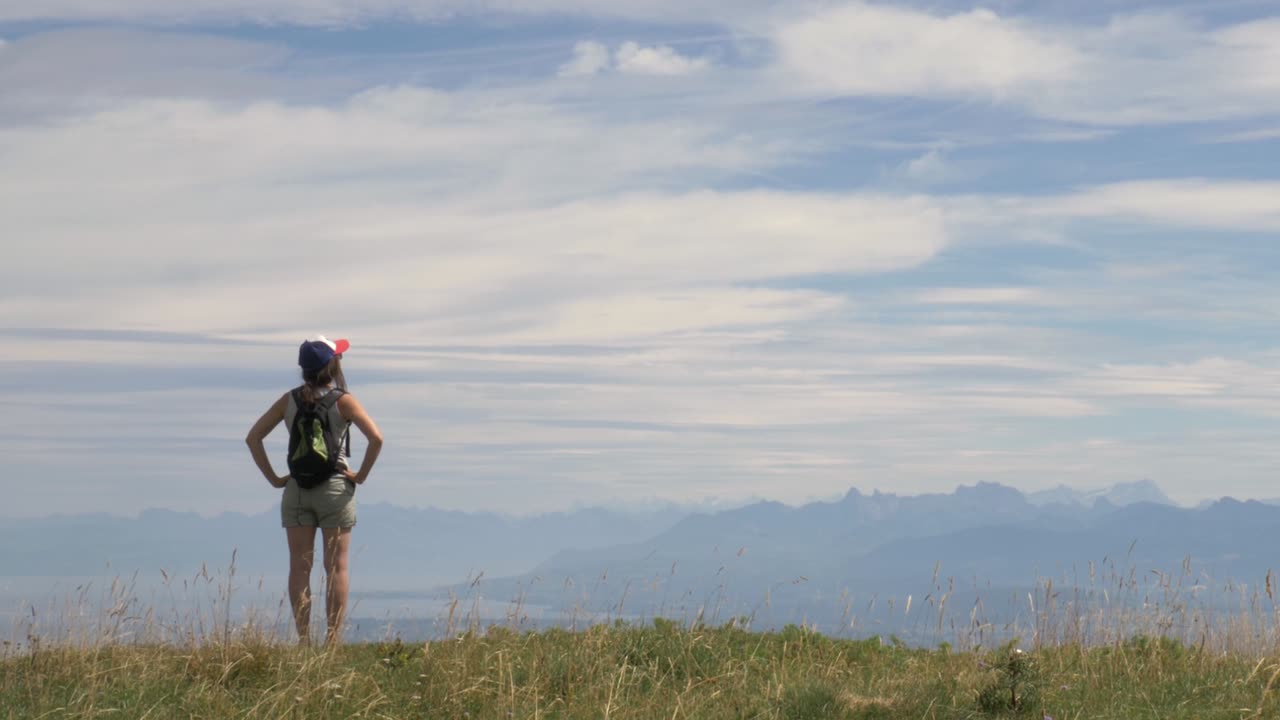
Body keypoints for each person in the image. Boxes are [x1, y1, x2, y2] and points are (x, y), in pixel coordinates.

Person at [245, 335, 384, 645]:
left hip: (296, 490)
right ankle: (332, 641)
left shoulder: (288, 400)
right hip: (335, 487)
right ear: (332, 364)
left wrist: (275, 478)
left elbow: (253, 437)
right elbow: (376, 438)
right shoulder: (343, 400)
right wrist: (359, 475)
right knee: (336, 566)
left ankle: (304, 640)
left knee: (299, 567)